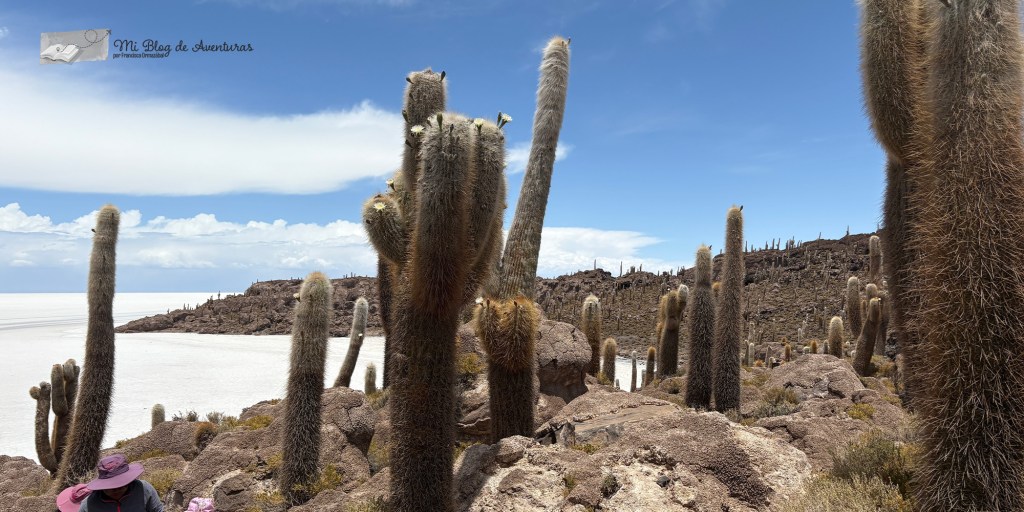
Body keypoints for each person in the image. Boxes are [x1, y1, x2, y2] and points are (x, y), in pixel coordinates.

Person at [77, 454, 164, 511]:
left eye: (122, 484)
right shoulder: (88, 505)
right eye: (111, 487)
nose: (117, 490)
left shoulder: (144, 489)